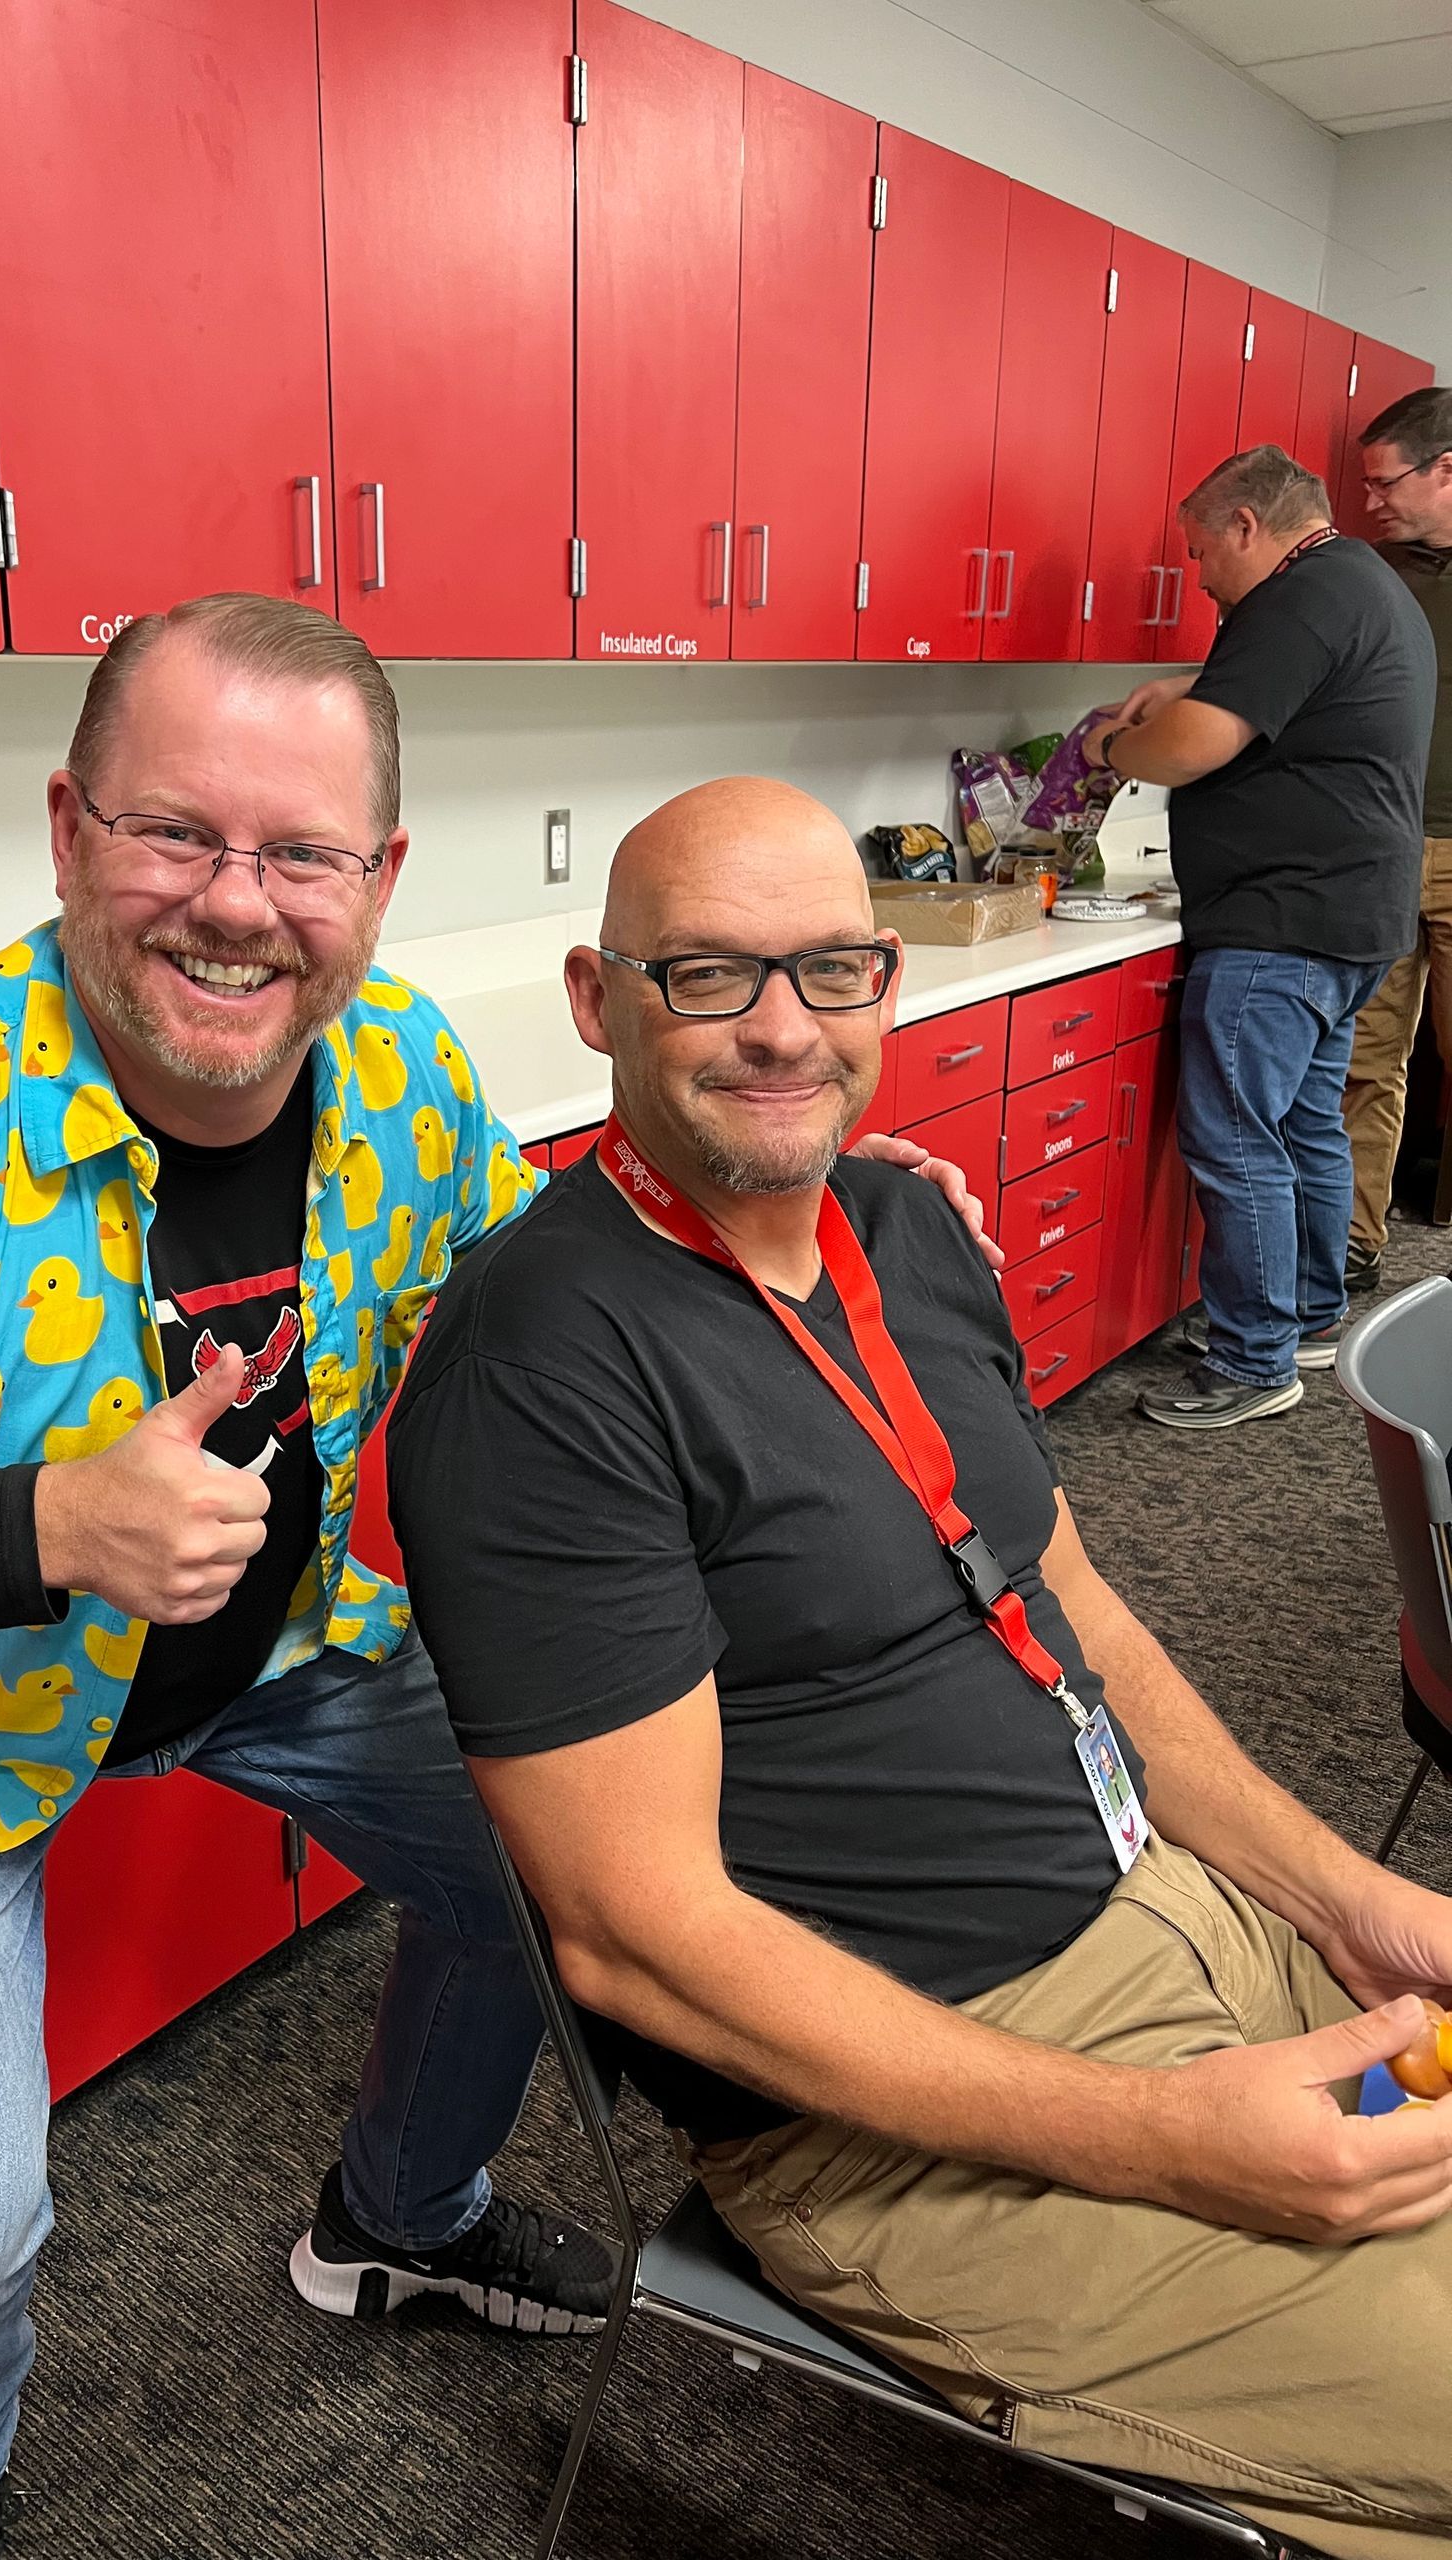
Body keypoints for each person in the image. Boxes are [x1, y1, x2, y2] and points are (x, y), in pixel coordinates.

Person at [0, 598, 984, 2559]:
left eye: (301, 851)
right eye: (174, 832)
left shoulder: (400, 1067)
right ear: (71, 830)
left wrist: (805, 1194)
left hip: (296, 1650)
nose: (235, 905)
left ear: (379, 878)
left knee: (564, 1859)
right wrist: (49, 1523)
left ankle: (397, 2217)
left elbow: (539, 1294)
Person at [388, 776, 1452, 2560]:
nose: (784, 1029)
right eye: (709, 976)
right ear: (598, 1002)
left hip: (1185, 1915)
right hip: (935, 2113)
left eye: (831, 969)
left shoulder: (902, 1232)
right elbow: (635, 1937)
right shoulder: (542, 1370)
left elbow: (1078, 1616)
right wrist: (1159, 2138)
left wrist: (1354, 1902)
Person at [1079, 444, 1434, 1431]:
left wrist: (1111, 744)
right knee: (1305, 1124)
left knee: (1239, 1141)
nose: (1195, 575)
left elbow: (1193, 749)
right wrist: (1194, 680)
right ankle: (1309, 1317)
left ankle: (1252, 1358)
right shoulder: (1360, 581)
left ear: (1247, 527)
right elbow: (1290, 697)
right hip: (1355, 916)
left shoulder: (1293, 598)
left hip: (1283, 921)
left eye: (1199, 551)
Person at [1342, 386, 1452, 1293]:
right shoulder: (1375, 574)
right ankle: (1353, 1242)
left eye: (1385, 482)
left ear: (1447, 468)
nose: (1371, 499)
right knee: (1366, 1060)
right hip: (1380, 847)